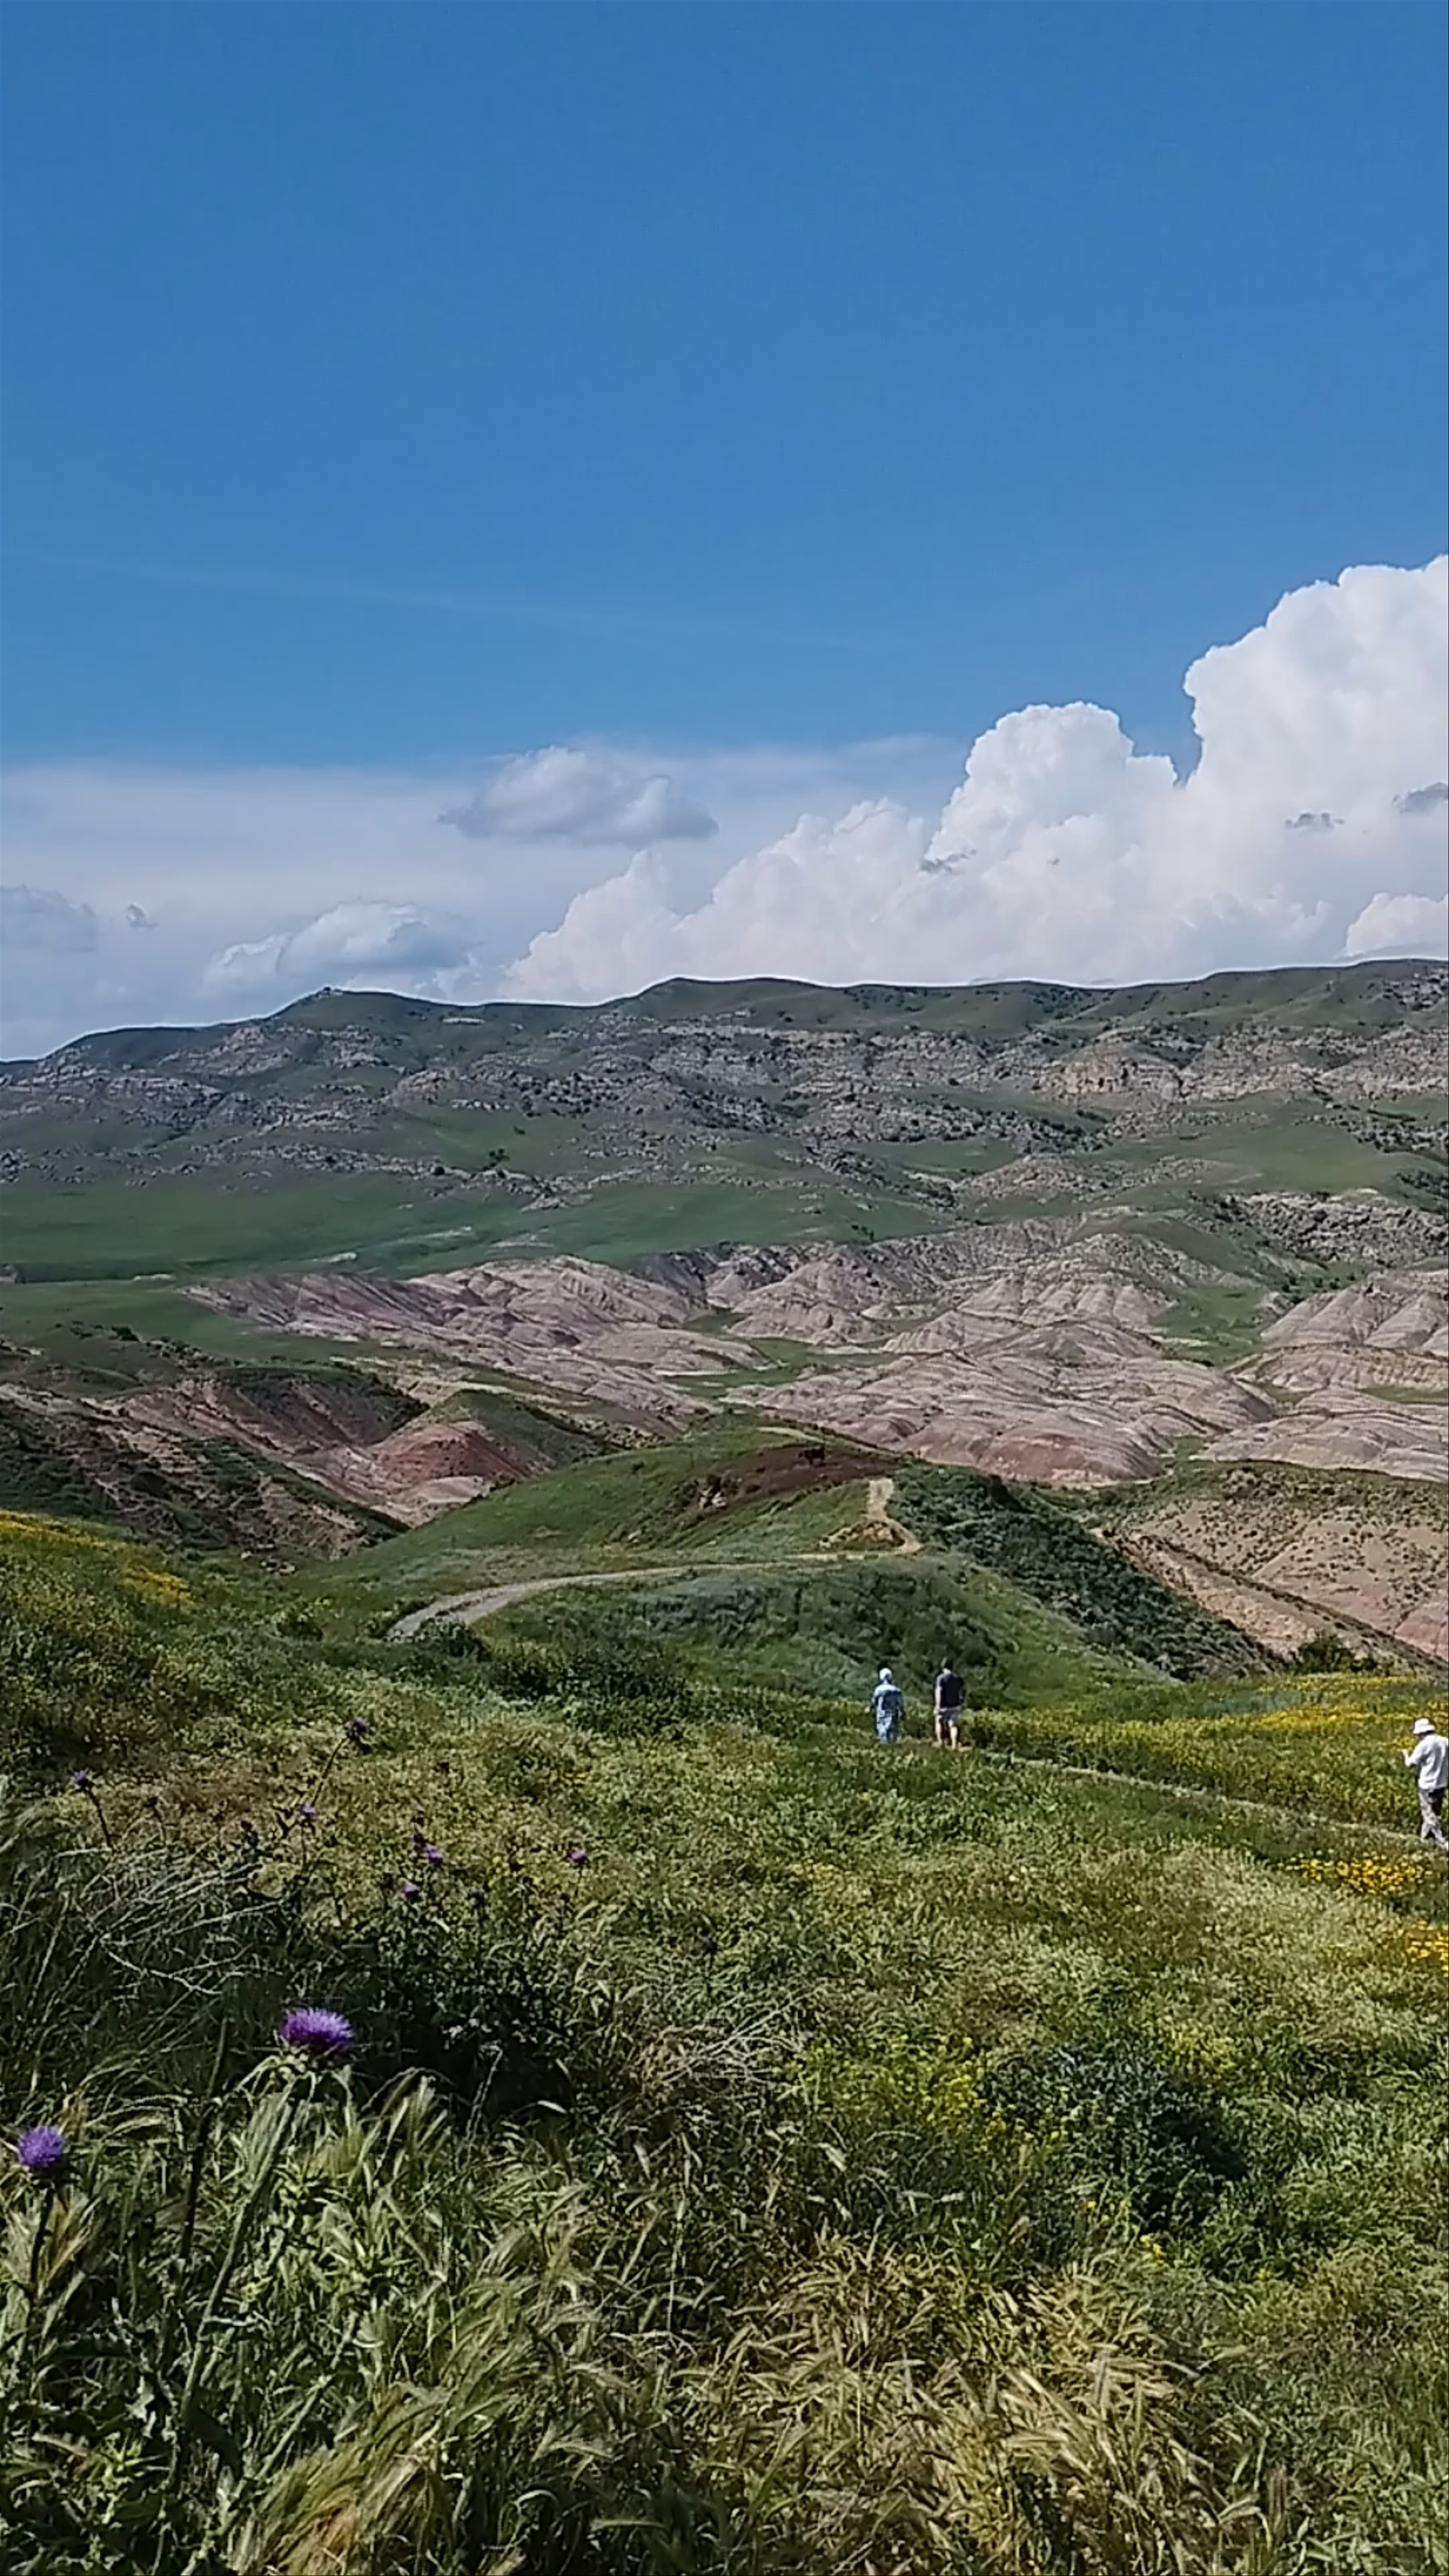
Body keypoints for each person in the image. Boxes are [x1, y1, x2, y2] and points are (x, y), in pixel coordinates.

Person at [1403, 1716, 1449, 1848]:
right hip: (1442, 1783)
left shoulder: (1424, 1745)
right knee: (1434, 1812)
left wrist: (1406, 1754)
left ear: (1422, 1733)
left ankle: (1443, 1841)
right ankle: (1424, 1839)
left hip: (1427, 1784)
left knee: (1429, 1815)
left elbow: (1410, 1764)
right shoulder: (1445, 1741)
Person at [933, 1659, 964, 1750]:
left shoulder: (941, 1678)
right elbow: (962, 1691)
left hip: (943, 1706)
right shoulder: (958, 1678)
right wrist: (961, 1703)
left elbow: (939, 1692)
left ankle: (940, 1742)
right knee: (953, 1725)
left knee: (939, 1722)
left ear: (943, 1666)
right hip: (955, 1706)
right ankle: (954, 1744)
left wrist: (937, 1706)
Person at [870, 1666, 904, 1745]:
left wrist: (871, 1708)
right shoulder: (896, 1690)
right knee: (892, 1730)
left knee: (882, 1729)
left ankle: (884, 1745)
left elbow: (874, 1701)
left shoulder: (879, 1689)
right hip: (893, 1713)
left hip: (881, 1713)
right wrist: (902, 1712)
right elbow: (900, 1704)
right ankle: (891, 1745)